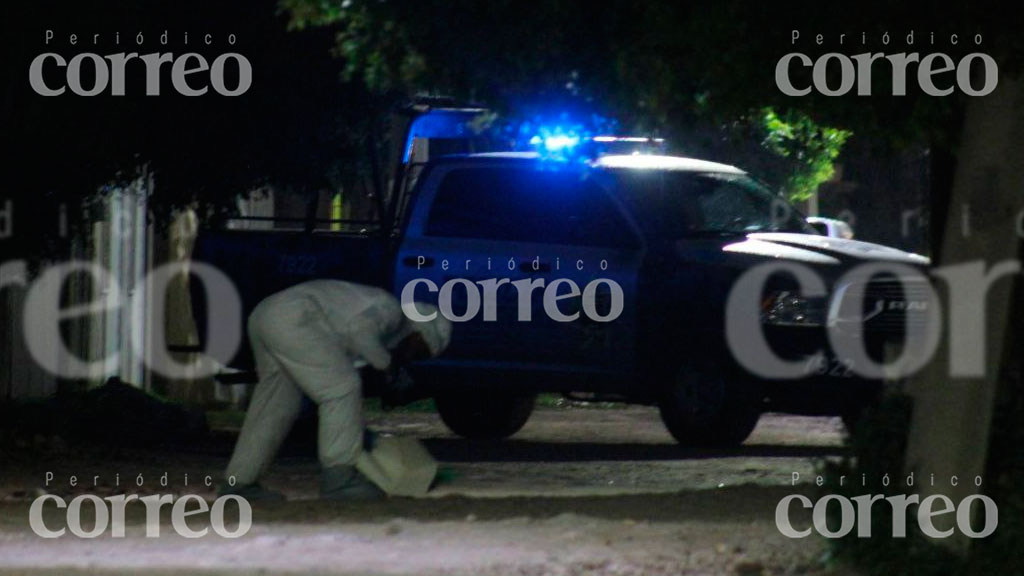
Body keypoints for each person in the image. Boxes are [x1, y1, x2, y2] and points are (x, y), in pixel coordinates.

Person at [221, 280, 451, 500]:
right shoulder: (391, 309)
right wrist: (388, 366)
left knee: (276, 407)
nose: (412, 357)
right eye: (420, 350)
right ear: (419, 331)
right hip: (294, 318)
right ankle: (340, 479)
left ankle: (238, 483)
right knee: (342, 388)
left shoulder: (382, 324)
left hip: (266, 314)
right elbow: (360, 333)